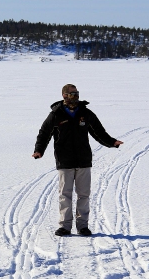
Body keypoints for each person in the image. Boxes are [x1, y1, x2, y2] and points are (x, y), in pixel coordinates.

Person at [32, 84, 123, 237]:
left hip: (83, 160)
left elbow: (98, 131)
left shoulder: (85, 113)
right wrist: (39, 150)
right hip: (64, 160)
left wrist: (111, 142)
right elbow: (44, 133)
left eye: (76, 93)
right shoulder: (56, 114)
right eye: (72, 93)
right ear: (64, 95)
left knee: (83, 195)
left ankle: (82, 226)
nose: (75, 96)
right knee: (65, 195)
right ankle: (65, 227)